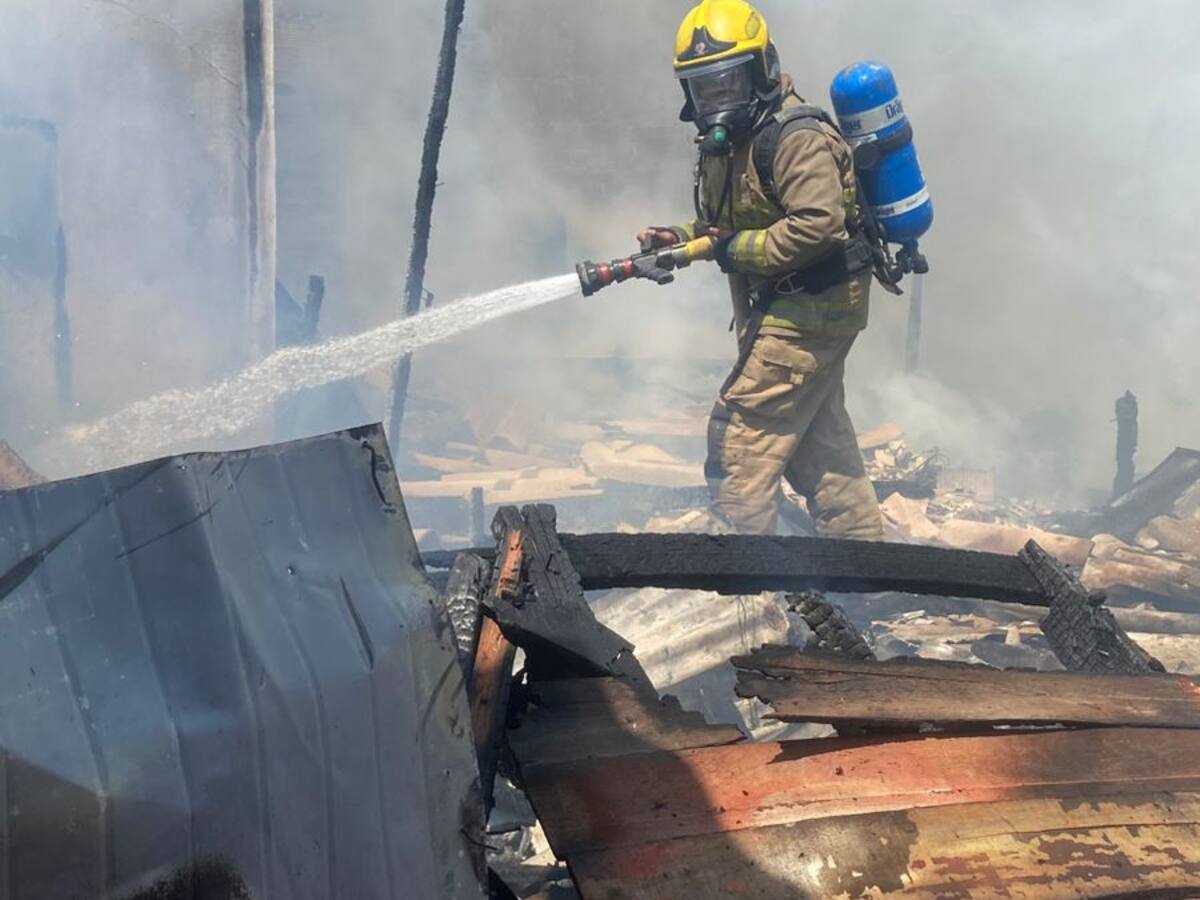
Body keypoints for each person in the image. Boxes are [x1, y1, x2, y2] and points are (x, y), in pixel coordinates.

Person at [639, 0, 883, 538]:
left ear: (762, 70)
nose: (716, 100)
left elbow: (818, 225)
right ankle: (871, 572)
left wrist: (731, 252)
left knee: (741, 438)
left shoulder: (796, 138)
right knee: (822, 450)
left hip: (813, 306)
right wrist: (678, 238)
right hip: (790, 307)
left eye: (727, 83)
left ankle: (745, 596)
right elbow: (728, 222)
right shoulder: (728, 145)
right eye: (704, 88)